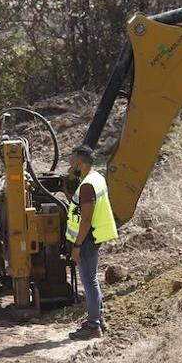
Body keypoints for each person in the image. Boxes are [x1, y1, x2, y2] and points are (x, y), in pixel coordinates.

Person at [65, 145, 117, 340]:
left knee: (89, 281)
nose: (69, 161)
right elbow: (78, 206)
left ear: (80, 160)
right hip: (92, 237)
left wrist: (77, 246)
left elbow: (85, 220)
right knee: (92, 279)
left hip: (86, 239)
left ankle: (93, 326)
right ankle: (98, 319)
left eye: (72, 157)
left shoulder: (87, 186)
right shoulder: (96, 178)